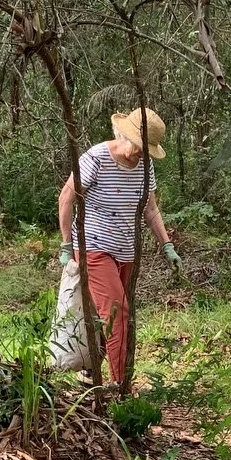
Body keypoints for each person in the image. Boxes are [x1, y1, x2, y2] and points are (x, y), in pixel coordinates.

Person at [57, 108, 182, 386]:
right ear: (124, 136)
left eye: (146, 151)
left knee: (109, 315)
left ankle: (91, 371)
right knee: (118, 313)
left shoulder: (145, 166)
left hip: (126, 249)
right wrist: (66, 245)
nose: (140, 155)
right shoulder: (96, 158)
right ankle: (119, 386)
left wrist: (167, 246)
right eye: (138, 147)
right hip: (94, 246)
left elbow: (150, 209)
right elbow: (66, 197)